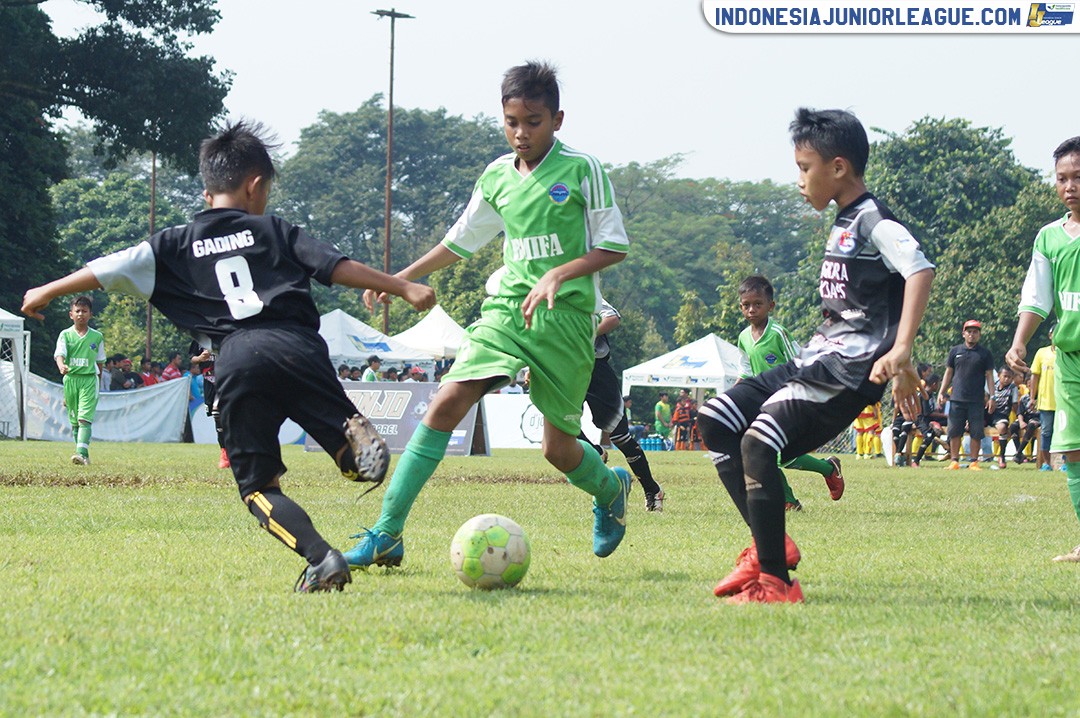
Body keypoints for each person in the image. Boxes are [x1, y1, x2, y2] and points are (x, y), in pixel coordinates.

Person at [22, 120, 435, 592]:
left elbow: (104, 269)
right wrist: (401, 285)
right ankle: (349, 444)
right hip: (299, 345)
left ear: (206, 193)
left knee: (258, 488)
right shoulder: (274, 229)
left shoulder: (172, 245)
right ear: (255, 186)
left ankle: (322, 558)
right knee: (344, 445)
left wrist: (47, 290)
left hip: (238, 359)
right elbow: (334, 267)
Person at [344, 61, 632, 570]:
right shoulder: (497, 176)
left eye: (534, 121)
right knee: (445, 403)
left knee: (559, 451)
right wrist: (401, 280)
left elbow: (613, 246)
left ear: (558, 120)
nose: (521, 133)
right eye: (512, 121)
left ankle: (610, 489)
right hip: (505, 311)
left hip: (566, 321)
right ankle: (386, 533)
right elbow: (460, 241)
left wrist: (560, 274)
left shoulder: (583, 170)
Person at [696, 107, 934, 603]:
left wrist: (903, 352)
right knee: (715, 419)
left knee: (758, 445)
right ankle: (771, 548)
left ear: (839, 167)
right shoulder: (843, 220)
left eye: (805, 168)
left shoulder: (872, 217)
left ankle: (777, 585)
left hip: (847, 372)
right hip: (815, 359)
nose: (800, 180)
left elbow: (918, 270)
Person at [1006, 136, 1080, 562]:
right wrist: (1019, 341)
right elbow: (1037, 296)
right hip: (1069, 359)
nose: (1069, 186)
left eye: (1078, 177)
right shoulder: (1050, 238)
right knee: (1070, 449)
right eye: (1062, 179)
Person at [735, 274, 844, 508]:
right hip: (761, 403)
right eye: (746, 305)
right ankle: (818, 476)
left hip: (787, 401)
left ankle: (794, 496)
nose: (752, 309)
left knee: (772, 454)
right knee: (767, 454)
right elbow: (745, 371)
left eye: (758, 304)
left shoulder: (777, 333)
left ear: (770, 306)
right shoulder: (744, 337)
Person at [577, 298, 665, 511]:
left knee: (620, 437)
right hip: (566, 369)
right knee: (560, 426)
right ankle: (595, 452)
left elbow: (613, 318)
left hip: (596, 370)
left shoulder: (584, 288)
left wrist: (584, 336)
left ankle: (652, 489)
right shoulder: (543, 295)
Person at [54, 296, 106, 465]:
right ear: (71, 314)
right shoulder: (66, 335)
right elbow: (59, 354)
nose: (81, 314)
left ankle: (81, 453)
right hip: (71, 381)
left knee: (84, 419)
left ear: (90, 314)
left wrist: (97, 385)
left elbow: (100, 362)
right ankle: (83, 454)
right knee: (75, 422)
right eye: (77, 311)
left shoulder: (97, 337)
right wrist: (62, 366)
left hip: (88, 380)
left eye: (84, 311)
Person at [938, 320, 995, 470]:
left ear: (979, 335)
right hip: (956, 398)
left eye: (975, 332)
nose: (972, 334)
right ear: (964, 334)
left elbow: (989, 375)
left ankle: (974, 462)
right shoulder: (955, 351)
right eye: (969, 331)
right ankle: (954, 461)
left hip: (976, 399)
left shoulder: (985, 353)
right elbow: (949, 372)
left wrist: (992, 396)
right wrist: (942, 391)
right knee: (955, 431)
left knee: (976, 432)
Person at [1028, 327, 1057, 471]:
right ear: (1050, 335)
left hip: (1065, 402)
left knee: (1062, 434)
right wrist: (1032, 397)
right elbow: (1035, 375)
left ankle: (1063, 463)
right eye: (1054, 333)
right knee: (1046, 432)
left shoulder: (1069, 353)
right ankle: (1047, 463)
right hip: (1046, 401)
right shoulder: (1042, 353)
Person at [988, 366, 1018, 469]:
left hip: (1001, 414)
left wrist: (1019, 416)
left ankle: (1002, 456)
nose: (1007, 379)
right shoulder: (992, 386)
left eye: (1009, 377)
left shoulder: (1013, 388)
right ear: (999, 376)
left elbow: (1014, 405)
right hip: (988, 413)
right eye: (1005, 376)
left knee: (1002, 428)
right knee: (972, 425)